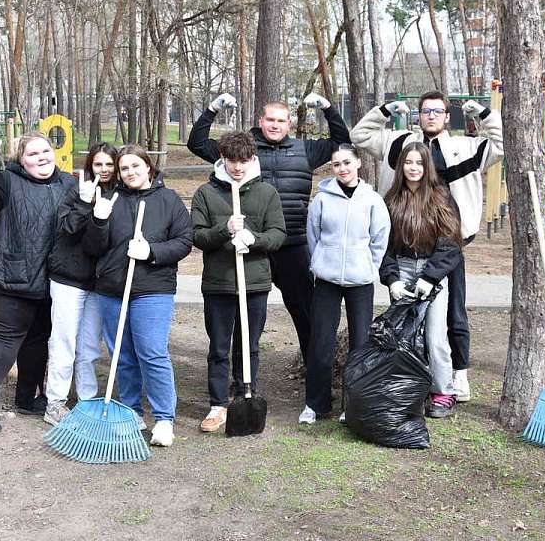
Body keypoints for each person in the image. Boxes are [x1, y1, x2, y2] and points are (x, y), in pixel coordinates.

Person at [350, 91, 503, 403]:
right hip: (405, 242)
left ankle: (457, 373)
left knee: (454, 313)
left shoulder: (464, 147)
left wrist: (483, 115)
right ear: (418, 115)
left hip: (449, 245)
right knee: (405, 316)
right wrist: (385, 111)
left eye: (438, 111)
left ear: (448, 116)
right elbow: (360, 134)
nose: (431, 115)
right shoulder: (399, 143)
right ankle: (410, 377)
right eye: (425, 111)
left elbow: (501, 144)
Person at [188, 92, 350, 386]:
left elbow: (342, 140)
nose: (275, 125)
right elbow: (197, 143)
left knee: (306, 315)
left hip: (292, 245)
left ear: (290, 123)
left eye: (281, 121)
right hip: (246, 246)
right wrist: (212, 109)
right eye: (270, 120)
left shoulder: (306, 151)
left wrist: (327, 108)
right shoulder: (244, 151)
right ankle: (241, 382)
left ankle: (317, 383)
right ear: (260, 121)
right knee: (241, 318)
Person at [0, 132, 75, 434]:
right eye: (32, 154)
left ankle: (28, 397)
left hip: (52, 279)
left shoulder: (69, 184)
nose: (41, 157)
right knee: (6, 340)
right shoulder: (5, 182)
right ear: (20, 160)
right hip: (13, 276)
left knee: (37, 341)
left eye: (45, 151)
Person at [82, 145, 192, 447]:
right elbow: (92, 248)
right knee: (123, 356)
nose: (130, 172)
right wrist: (99, 221)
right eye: (124, 168)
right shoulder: (110, 200)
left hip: (153, 289)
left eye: (135, 166)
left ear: (148, 167)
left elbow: (184, 241)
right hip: (112, 290)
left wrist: (151, 252)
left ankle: (164, 419)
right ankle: (131, 413)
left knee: (152, 352)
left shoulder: (168, 200)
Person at [190, 132, 286, 433]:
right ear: (223, 159)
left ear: (252, 159)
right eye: (232, 161)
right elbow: (197, 236)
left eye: (244, 161)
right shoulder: (206, 193)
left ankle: (246, 393)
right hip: (219, 283)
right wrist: (224, 229)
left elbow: (278, 234)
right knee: (219, 347)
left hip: (255, 282)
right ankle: (218, 405)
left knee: (249, 345)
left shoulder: (266, 192)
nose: (238, 168)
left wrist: (254, 240)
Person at [300, 144, 390, 425]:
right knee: (321, 343)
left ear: (358, 163)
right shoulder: (322, 199)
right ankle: (315, 404)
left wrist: (368, 267)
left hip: (360, 281)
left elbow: (379, 238)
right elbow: (313, 235)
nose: (342, 168)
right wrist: (321, 263)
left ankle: (352, 405)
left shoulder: (372, 200)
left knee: (360, 344)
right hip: (327, 280)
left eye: (347, 162)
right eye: (337, 164)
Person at [378, 142, 464, 418]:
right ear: (400, 166)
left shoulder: (441, 198)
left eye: (419, 163)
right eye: (408, 163)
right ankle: (403, 388)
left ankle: (443, 391)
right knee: (401, 334)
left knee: (435, 334)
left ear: (427, 168)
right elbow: (383, 245)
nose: (413, 168)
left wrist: (430, 276)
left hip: (431, 270)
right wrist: (392, 279)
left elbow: (451, 243)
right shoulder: (390, 201)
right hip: (401, 268)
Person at [43, 143, 119, 426]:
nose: (104, 170)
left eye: (109, 165)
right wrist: (85, 204)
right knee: (64, 341)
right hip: (69, 279)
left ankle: (87, 399)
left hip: (99, 283)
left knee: (89, 346)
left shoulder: (119, 196)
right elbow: (66, 229)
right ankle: (56, 401)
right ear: (90, 166)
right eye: (98, 164)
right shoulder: (75, 191)